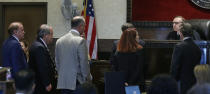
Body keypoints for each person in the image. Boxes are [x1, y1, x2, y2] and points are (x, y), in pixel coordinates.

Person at [55, 16, 92, 94]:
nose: (84, 28)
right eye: (84, 26)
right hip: (76, 82)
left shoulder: (59, 41)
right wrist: (88, 79)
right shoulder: (80, 41)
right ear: (80, 26)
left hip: (63, 82)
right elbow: (83, 63)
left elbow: (57, 62)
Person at [170, 22, 201, 94]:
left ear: (181, 33)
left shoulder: (179, 46)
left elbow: (174, 67)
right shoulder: (197, 48)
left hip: (181, 84)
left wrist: (172, 82)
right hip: (194, 83)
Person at [29, 24, 57, 94]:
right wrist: (47, 83)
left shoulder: (37, 44)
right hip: (41, 84)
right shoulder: (39, 47)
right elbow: (42, 67)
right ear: (45, 35)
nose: (52, 37)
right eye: (51, 34)